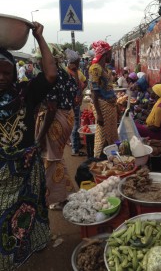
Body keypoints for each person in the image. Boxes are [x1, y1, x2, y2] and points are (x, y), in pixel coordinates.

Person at [0, 22, 57, 270]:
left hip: (26, 172)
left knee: (32, 210)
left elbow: (51, 75)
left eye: (6, 72)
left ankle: (35, 245)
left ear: (14, 74)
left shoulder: (25, 94)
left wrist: (39, 38)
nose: (1, 77)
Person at [35, 44, 77, 210]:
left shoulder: (50, 77)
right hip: (67, 116)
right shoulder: (65, 73)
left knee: (53, 159)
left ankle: (61, 198)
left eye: (41, 58)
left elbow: (51, 108)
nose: (39, 62)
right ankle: (65, 195)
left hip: (56, 119)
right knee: (57, 157)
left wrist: (40, 136)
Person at [89, 40, 119, 158]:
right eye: (110, 53)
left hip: (110, 105)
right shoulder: (95, 68)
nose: (111, 56)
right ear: (105, 54)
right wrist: (99, 115)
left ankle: (110, 158)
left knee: (111, 134)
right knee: (102, 136)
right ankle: (97, 160)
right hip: (102, 106)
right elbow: (94, 93)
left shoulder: (104, 68)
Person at [65, 49, 88, 156]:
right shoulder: (68, 73)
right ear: (72, 63)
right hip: (72, 103)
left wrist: (81, 90)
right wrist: (77, 96)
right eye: (78, 62)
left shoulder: (75, 72)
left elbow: (84, 83)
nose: (79, 64)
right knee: (75, 124)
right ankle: (75, 149)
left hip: (76, 102)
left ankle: (77, 144)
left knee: (76, 123)